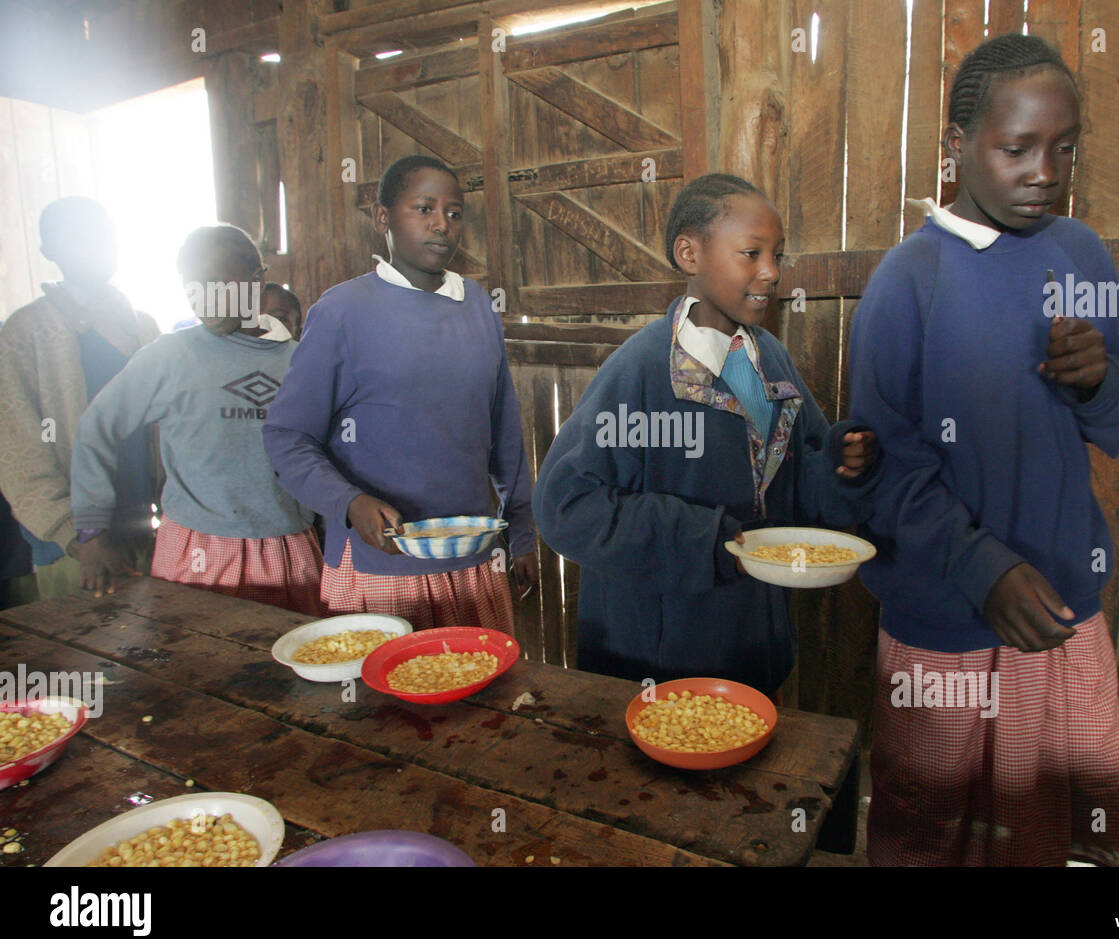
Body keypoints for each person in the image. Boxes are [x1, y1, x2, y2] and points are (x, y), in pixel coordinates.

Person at [847, 33, 1119, 866]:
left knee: (1054, 816)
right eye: (1016, 147)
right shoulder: (907, 282)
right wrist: (984, 567)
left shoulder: (1080, 251)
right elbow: (886, 467)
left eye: (1064, 148)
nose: (1044, 172)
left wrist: (1098, 384)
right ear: (956, 144)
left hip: (1061, 609)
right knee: (931, 816)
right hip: (944, 620)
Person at [533, 173, 880, 698]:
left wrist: (840, 465)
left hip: (752, 644)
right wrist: (707, 541)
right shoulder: (641, 371)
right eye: (750, 253)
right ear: (689, 254)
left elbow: (797, 482)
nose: (770, 272)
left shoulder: (769, 360)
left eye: (777, 255)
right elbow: (566, 506)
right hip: (659, 657)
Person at [263, 155, 538, 631]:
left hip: (471, 560)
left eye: (454, 213)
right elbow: (287, 436)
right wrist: (349, 503)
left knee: (480, 695)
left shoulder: (476, 305)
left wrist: (523, 534)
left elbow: (505, 432)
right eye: (424, 209)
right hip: (383, 564)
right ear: (383, 218)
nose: (441, 225)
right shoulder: (343, 311)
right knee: (387, 700)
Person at [71, 225, 322, 613]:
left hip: (286, 548)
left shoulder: (301, 361)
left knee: (290, 659)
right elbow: (95, 428)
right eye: (193, 286)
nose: (205, 299)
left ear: (257, 280)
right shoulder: (170, 357)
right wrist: (91, 530)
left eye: (219, 283)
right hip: (195, 550)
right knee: (192, 661)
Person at [0, 196, 157, 598]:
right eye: (80, 236)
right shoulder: (23, 336)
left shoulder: (142, 328)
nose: (98, 243)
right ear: (48, 251)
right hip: (75, 550)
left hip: (145, 529)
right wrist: (79, 536)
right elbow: (17, 454)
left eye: (105, 233)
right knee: (86, 652)